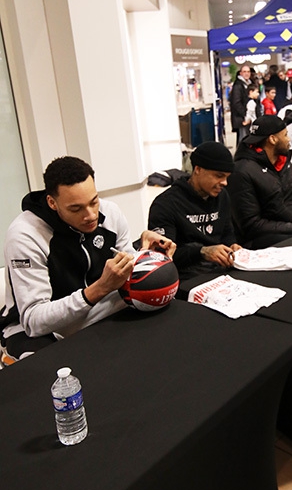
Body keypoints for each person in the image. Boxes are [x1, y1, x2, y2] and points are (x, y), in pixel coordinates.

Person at [1, 156, 175, 363]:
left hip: (96, 307)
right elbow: (34, 321)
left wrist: (145, 256)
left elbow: (126, 269)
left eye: (94, 201)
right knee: (51, 373)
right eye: (76, 209)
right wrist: (99, 289)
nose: (91, 215)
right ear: (52, 202)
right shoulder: (25, 235)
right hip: (36, 328)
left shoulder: (110, 212)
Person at [227, 115, 292, 248]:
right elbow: (251, 225)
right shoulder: (242, 172)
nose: (289, 140)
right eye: (286, 135)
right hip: (258, 241)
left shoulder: (283, 163)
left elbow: (289, 207)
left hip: (288, 230)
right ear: (272, 139)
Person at [148, 142, 241, 278]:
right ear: (198, 169)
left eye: (227, 177)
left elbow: (227, 232)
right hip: (186, 276)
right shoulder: (166, 204)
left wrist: (232, 245)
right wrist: (202, 252)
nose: (225, 183)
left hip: (220, 270)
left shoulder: (222, 196)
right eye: (219, 176)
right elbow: (162, 257)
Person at [229, 63, 252, 142]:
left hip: (245, 117)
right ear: (240, 73)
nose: (246, 73)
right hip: (241, 118)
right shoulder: (238, 85)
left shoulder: (248, 83)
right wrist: (245, 114)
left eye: (248, 72)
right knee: (243, 139)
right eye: (244, 71)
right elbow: (236, 103)